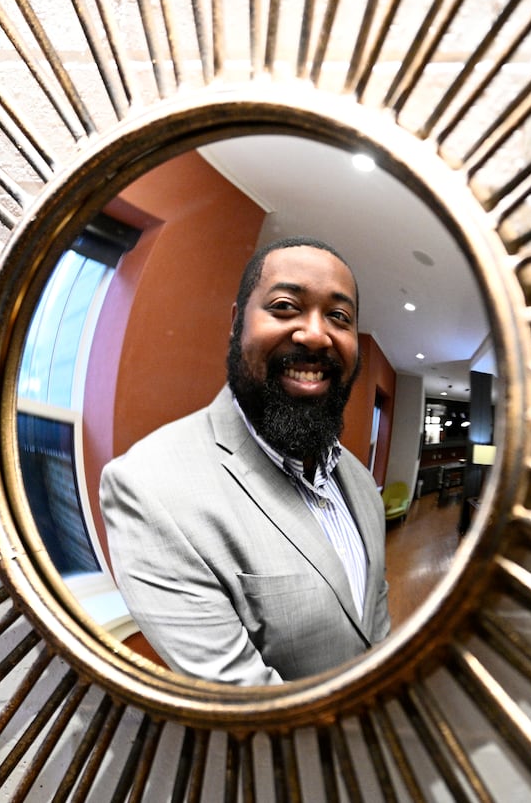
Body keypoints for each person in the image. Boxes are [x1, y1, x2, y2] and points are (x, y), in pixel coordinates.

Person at [100, 237, 390, 685]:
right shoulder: (148, 488)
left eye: (339, 316)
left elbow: (376, 622)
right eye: (284, 306)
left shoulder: (360, 482)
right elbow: (245, 701)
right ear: (237, 323)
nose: (315, 334)